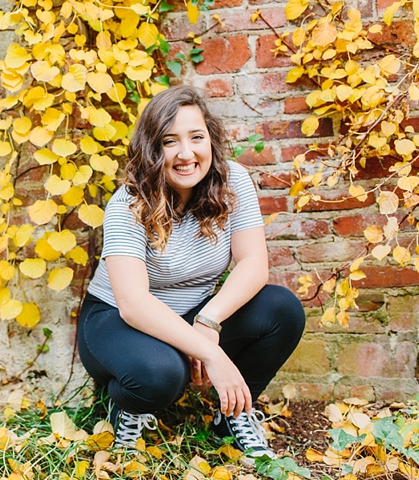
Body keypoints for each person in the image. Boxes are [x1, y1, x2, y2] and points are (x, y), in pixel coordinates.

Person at [77, 85, 305, 463]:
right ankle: (126, 408)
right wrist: (210, 355)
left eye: (196, 137)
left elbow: (253, 264)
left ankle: (232, 415)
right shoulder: (127, 205)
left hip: (195, 313)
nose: (186, 154)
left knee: (282, 309)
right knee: (159, 374)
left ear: (210, 139)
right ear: (152, 149)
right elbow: (133, 304)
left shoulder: (233, 182)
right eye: (170, 141)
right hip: (117, 323)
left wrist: (210, 320)